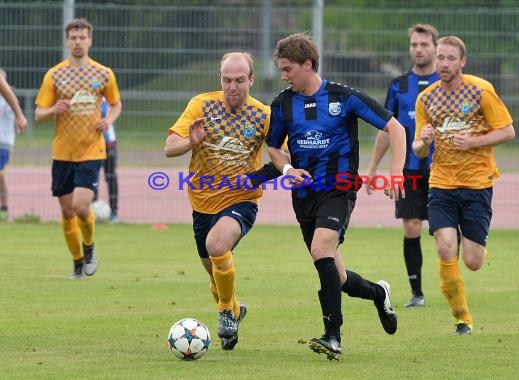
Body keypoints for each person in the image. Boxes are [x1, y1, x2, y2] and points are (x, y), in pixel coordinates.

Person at [266, 32, 406, 360]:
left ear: (307, 64)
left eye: (287, 69)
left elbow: (395, 128)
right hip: (304, 196)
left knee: (320, 249)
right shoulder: (283, 104)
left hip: (340, 189)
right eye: (281, 70)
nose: (283, 75)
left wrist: (397, 172)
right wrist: (287, 171)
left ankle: (333, 335)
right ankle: (378, 293)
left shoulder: (344, 98)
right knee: (337, 275)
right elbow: (273, 147)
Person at [165, 52, 280, 351]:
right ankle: (235, 309)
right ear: (221, 79)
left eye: (240, 80)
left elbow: (284, 158)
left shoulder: (263, 115)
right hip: (202, 203)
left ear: (251, 80)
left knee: (217, 246)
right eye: (227, 80)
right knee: (215, 274)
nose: (233, 87)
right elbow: (169, 147)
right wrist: (191, 142)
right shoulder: (201, 105)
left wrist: (256, 179)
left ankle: (225, 313)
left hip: (242, 201)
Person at [413, 36, 515, 335]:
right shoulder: (426, 99)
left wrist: (474, 141)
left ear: (462, 62)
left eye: (450, 59)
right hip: (441, 184)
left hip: (477, 184)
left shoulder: (481, 90)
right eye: (440, 58)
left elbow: (508, 131)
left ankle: (474, 242)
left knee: (472, 261)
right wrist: (424, 141)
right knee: (445, 248)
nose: (443, 64)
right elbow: (418, 148)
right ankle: (463, 319)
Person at [35, 18, 122, 279]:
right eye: (73, 37)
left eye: (82, 37)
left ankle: (90, 248)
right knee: (66, 209)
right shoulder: (55, 74)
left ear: (90, 40)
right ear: (67, 40)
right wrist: (52, 109)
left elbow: (116, 104)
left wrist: (109, 120)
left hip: (91, 149)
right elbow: (39, 114)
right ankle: (77, 262)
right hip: (62, 152)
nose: (78, 41)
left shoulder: (103, 73)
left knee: (82, 206)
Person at [365, 24, 439, 308]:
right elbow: (386, 129)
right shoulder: (398, 86)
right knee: (411, 226)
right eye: (414, 44)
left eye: (424, 44)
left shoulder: (445, 85)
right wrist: (372, 168)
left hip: (443, 169)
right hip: (408, 169)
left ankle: (449, 277)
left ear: (435, 47)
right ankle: (417, 292)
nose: (418, 49)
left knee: (442, 229)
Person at [0, 68, 27, 221]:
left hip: (4, 142)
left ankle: (4, 207)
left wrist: (19, 118)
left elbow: (15, 117)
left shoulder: (9, 99)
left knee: (0, 175)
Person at [93, 98, 119, 223]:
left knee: (110, 176)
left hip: (108, 143)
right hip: (90, 144)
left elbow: (113, 109)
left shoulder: (107, 99)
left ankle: (114, 212)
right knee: (92, 177)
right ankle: (91, 210)